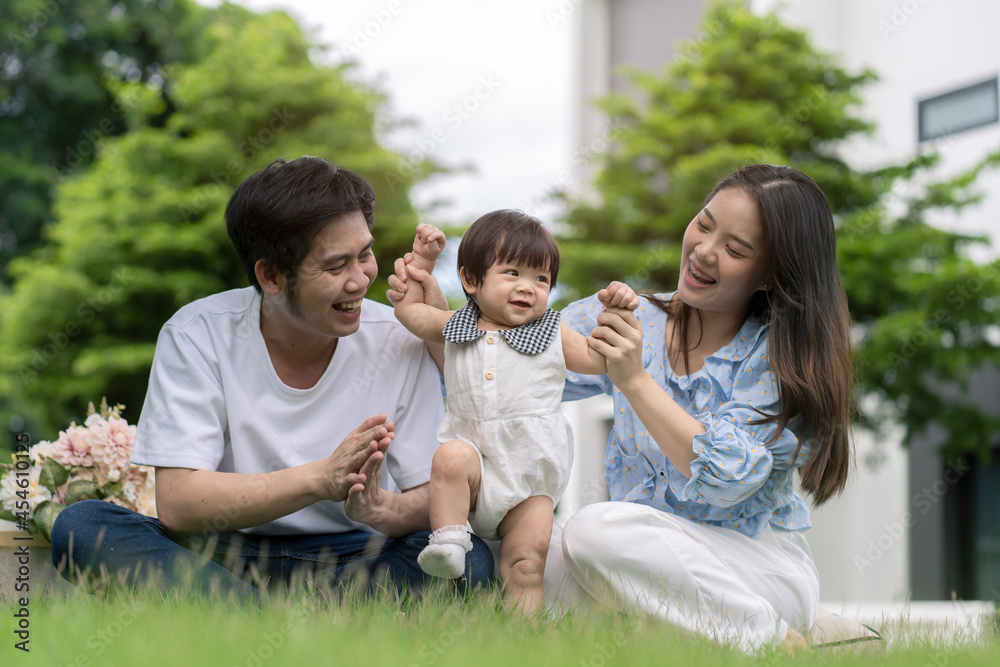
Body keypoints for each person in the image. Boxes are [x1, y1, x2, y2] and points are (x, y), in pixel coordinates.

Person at [49, 156, 494, 602]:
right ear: (271, 276)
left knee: (468, 562)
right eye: (336, 266)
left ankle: (248, 616)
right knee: (82, 528)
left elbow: (432, 498)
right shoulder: (197, 333)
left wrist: (383, 508)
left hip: (356, 557)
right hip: (223, 555)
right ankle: (304, 618)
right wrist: (321, 478)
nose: (361, 280)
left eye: (365, 255)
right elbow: (179, 503)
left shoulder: (398, 338)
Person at [556, 164, 854, 652]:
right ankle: (667, 628)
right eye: (704, 223)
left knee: (593, 529)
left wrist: (631, 378)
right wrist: (439, 320)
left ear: (771, 276)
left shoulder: (775, 358)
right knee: (528, 551)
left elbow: (725, 481)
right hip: (638, 557)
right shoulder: (636, 317)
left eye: (736, 250)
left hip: (752, 566)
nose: (704, 251)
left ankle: (777, 640)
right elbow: (517, 362)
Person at [389, 211, 637, 613]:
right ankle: (449, 542)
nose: (528, 288)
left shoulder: (553, 332)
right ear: (471, 280)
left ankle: (524, 636)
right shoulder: (458, 326)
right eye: (512, 273)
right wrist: (422, 264)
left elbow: (596, 360)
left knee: (526, 564)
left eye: (541, 279)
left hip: (528, 477)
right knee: (450, 456)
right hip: (475, 471)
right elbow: (411, 314)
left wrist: (617, 314)